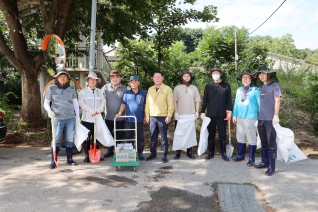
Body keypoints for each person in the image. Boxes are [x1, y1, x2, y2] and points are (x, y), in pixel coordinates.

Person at [44, 68, 80, 168]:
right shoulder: (51, 88)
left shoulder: (72, 89)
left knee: (69, 139)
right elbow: (46, 102)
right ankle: (53, 161)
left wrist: (77, 116)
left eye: (65, 76)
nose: (63, 78)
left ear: (68, 78)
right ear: (57, 78)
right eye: (61, 76)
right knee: (56, 140)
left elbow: (75, 102)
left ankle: (70, 159)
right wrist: (49, 111)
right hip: (57, 118)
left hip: (70, 118)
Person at [200, 65, 233, 162]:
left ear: (221, 74)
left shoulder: (226, 86)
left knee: (222, 134)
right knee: (211, 134)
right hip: (210, 115)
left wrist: (230, 110)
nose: (215, 74)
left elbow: (229, 100)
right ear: (211, 74)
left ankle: (223, 153)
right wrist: (202, 112)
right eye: (214, 73)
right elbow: (205, 100)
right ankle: (211, 153)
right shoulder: (208, 86)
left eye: (217, 73)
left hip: (222, 114)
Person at [254, 66, 281, 176]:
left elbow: (277, 100)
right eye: (260, 74)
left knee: (271, 144)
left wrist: (275, 115)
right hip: (261, 119)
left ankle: (271, 167)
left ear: (268, 75)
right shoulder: (261, 87)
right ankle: (264, 162)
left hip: (270, 119)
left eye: (263, 74)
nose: (261, 76)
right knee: (263, 142)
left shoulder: (275, 86)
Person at [232, 70, 260, 166]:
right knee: (240, 137)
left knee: (251, 138)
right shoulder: (239, 90)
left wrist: (261, 116)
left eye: (247, 77)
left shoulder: (256, 90)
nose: (245, 79)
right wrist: (234, 115)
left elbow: (260, 104)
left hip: (251, 117)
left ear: (251, 79)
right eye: (243, 77)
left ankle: (251, 159)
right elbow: (236, 103)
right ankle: (241, 156)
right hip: (239, 116)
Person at [145, 71, 174, 163]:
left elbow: (170, 103)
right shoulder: (150, 89)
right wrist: (147, 115)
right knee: (153, 136)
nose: (157, 78)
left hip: (163, 116)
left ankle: (164, 155)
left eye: (159, 77)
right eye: (155, 77)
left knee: (163, 137)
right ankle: (153, 153)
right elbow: (147, 103)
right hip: (152, 116)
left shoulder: (167, 89)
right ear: (153, 78)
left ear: (162, 78)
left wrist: (169, 115)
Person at [115, 76, 146, 160]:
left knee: (140, 137)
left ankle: (140, 152)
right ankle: (131, 152)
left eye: (135, 81)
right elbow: (123, 104)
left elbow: (146, 106)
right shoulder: (127, 93)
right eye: (132, 82)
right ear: (130, 83)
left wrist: (146, 116)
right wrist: (120, 113)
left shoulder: (143, 93)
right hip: (129, 120)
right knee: (129, 137)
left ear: (138, 82)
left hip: (139, 119)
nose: (133, 83)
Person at [78, 72, 106, 163]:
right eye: (91, 80)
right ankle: (86, 155)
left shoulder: (100, 92)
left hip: (97, 119)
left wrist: (99, 109)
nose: (92, 81)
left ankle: (96, 154)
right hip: (87, 119)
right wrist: (89, 110)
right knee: (87, 138)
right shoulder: (83, 92)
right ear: (88, 81)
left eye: (94, 80)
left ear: (97, 81)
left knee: (96, 137)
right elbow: (81, 103)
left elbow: (103, 102)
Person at [173, 70, 201, 159]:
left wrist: (197, 111)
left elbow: (197, 101)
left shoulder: (194, 88)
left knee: (190, 134)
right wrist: (176, 112)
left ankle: (189, 152)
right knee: (179, 134)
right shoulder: (177, 88)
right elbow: (174, 101)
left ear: (190, 77)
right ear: (182, 77)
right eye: (184, 76)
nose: (186, 77)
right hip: (180, 115)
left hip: (190, 115)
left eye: (188, 76)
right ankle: (178, 152)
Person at [101, 70, 127, 158]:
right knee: (108, 135)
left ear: (120, 78)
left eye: (117, 77)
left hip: (120, 118)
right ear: (110, 78)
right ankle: (109, 150)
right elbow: (99, 99)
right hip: (108, 117)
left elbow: (125, 103)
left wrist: (120, 113)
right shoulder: (105, 88)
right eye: (113, 77)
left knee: (119, 135)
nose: (115, 79)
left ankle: (118, 151)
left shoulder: (124, 89)